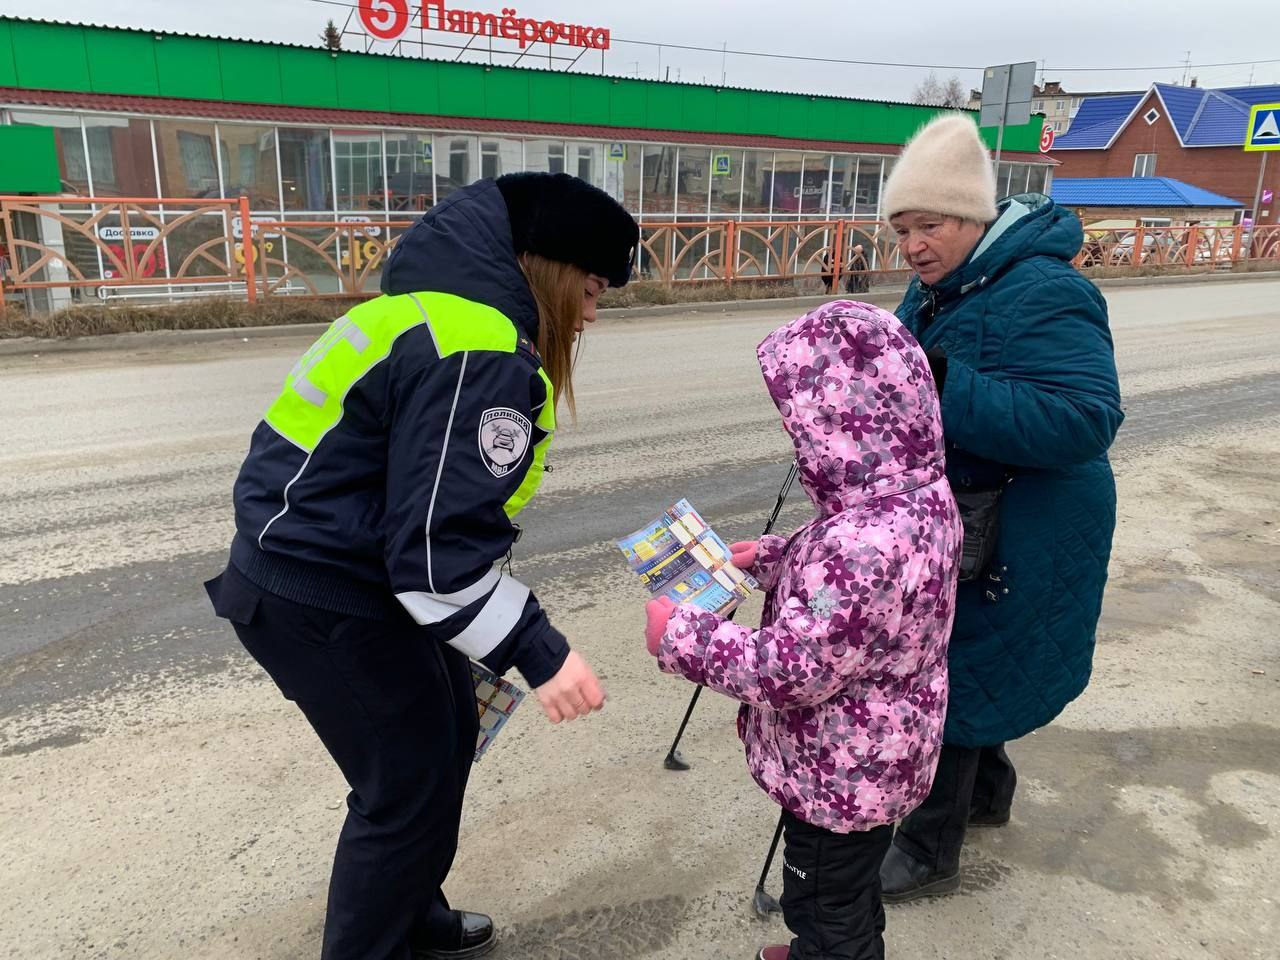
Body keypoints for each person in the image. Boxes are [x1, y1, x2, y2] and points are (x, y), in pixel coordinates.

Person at [204, 172, 639, 960]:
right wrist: (545, 655)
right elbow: (435, 559)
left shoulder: (428, 314)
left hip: (331, 575)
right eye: (593, 286)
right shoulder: (478, 347)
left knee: (444, 743)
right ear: (548, 269)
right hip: (328, 598)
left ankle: (411, 912)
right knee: (402, 792)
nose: (594, 312)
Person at [644, 300, 962, 960]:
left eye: (807, 429)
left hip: (837, 771)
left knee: (818, 898)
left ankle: (830, 950)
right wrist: (769, 557)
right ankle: (838, 945)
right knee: (848, 888)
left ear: (846, 428)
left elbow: (786, 670)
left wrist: (680, 636)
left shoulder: (861, 541)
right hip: (880, 755)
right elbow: (861, 595)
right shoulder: (917, 495)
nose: (800, 443)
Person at [874, 113, 1124, 902]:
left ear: (976, 219)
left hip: (1027, 521)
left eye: (931, 225)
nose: (914, 246)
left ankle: (927, 851)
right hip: (972, 515)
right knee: (983, 665)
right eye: (902, 229)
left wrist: (948, 386)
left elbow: (1086, 419)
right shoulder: (940, 287)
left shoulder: (1048, 288)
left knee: (955, 675)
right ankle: (988, 794)